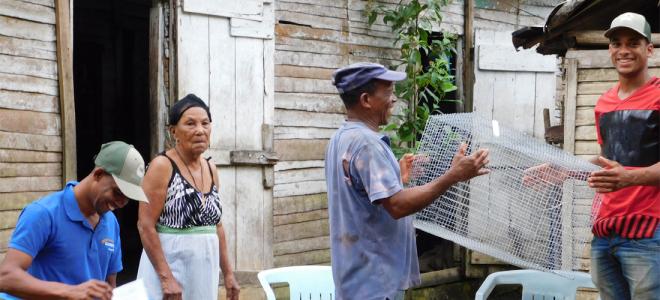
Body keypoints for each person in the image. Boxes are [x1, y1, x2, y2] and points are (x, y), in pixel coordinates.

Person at [325, 62, 490, 300]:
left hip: (356, 278)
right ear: (366, 100)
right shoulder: (367, 144)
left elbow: (362, 197)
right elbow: (398, 206)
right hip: (375, 283)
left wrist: (398, 180)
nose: (393, 100)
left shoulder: (341, 138)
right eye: (389, 92)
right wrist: (454, 175)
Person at [0, 141, 149, 300]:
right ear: (98, 174)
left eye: (128, 198)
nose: (121, 203)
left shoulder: (110, 223)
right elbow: (6, 277)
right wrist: (70, 292)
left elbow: (109, 287)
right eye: (118, 192)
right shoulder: (44, 214)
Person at [585, 12, 660, 300]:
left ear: (649, 49)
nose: (624, 50)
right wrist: (564, 169)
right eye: (617, 43)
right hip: (605, 232)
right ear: (609, 50)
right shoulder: (604, 102)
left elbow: (624, 172)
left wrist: (628, 178)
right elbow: (608, 158)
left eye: (633, 43)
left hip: (648, 232)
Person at [136, 94, 239, 300]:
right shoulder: (162, 166)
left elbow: (217, 226)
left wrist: (228, 274)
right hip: (170, 270)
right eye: (190, 124)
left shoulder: (211, 168)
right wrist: (167, 279)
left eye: (205, 123)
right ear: (174, 131)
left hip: (204, 273)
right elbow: (145, 225)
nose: (200, 130)